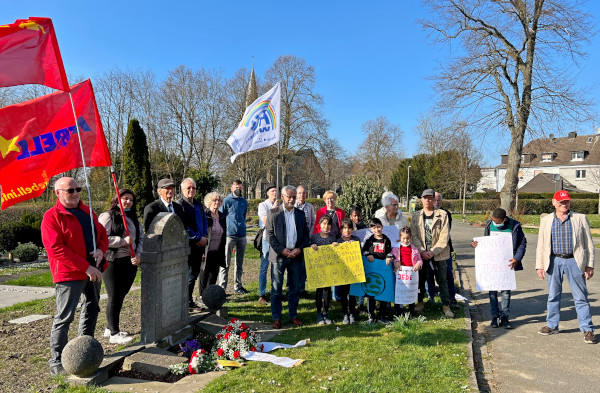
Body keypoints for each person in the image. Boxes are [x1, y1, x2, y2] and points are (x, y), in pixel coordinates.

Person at [42, 177, 108, 376]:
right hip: (70, 274)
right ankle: (57, 361)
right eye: (70, 190)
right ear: (58, 193)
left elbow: (102, 235)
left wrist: (101, 252)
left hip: (93, 270)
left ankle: (83, 351)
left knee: (92, 308)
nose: (76, 193)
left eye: (78, 189)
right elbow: (56, 248)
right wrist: (86, 267)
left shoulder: (88, 212)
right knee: (64, 317)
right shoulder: (52, 216)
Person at [535, 190, 597, 344]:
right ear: (554, 202)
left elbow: (589, 243)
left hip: (574, 261)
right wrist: (540, 265)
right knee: (553, 295)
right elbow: (541, 245)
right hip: (554, 261)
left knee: (581, 297)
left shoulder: (580, 218)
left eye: (567, 201)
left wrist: (589, 264)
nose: (564, 204)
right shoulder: (546, 220)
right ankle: (552, 324)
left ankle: (587, 329)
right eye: (561, 202)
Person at [99, 189, 143, 345]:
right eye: (124, 198)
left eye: (131, 200)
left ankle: (109, 326)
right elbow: (101, 238)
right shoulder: (108, 216)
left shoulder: (133, 218)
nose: (128, 202)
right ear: (117, 199)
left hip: (129, 262)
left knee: (121, 295)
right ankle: (114, 333)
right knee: (114, 296)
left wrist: (138, 255)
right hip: (112, 261)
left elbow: (140, 239)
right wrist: (122, 241)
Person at [471, 208, 526, 329]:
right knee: (492, 292)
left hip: (507, 264)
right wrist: (475, 244)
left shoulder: (515, 225)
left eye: (498, 221)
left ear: (504, 219)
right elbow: (485, 241)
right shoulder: (489, 225)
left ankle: (505, 317)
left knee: (506, 292)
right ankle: (494, 317)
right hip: (493, 265)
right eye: (493, 221)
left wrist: (517, 258)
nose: (495, 223)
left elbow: (522, 243)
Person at [265, 185, 309, 329]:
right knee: (276, 288)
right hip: (279, 256)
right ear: (282, 196)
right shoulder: (273, 213)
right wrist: (282, 250)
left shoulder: (300, 214)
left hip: (295, 256)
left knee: (294, 288)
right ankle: (276, 318)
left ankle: (293, 316)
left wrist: (299, 249)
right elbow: (270, 236)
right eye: (289, 196)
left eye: (294, 197)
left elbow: (305, 236)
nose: (291, 199)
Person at [411, 189, 454, 318]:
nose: (428, 200)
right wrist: (423, 251)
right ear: (422, 199)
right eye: (425, 198)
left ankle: (446, 305)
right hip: (422, 254)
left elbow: (444, 235)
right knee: (420, 280)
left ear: (434, 200)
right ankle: (420, 302)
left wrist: (433, 252)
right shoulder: (416, 215)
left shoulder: (442, 214)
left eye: (430, 198)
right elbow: (413, 235)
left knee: (442, 280)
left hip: (439, 254)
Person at [178, 178, 209, 309]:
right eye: (188, 188)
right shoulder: (179, 205)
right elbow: (182, 226)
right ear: (182, 190)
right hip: (188, 245)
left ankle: (189, 301)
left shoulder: (198, 204)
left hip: (200, 245)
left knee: (194, 274)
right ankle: (185, 303)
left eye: (193, 188)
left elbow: (204, 222)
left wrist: (205, 237)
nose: (191, 190)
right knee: (188, 276)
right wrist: (197, 238)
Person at [219, 179, 249, 294]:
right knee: (225, 263)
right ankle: (222, 288)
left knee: (239, 263)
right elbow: (221, 217)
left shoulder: (244, 202)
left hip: (241, 235)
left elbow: (244, 216)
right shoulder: (226, 201)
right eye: (236, 187)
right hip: (229, 235)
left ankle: (238, 286)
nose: (238, 189)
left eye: (240, 187)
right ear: (231, 188)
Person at [429, 192, 459, 309]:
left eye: (439, 201)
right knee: (429, 274)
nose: (436, 203)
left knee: (447, 274)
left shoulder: (446, 214)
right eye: (434, 200)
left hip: (444, 248)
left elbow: (444, 232)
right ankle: (431, 296)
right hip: (428, 249)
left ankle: (452, 297)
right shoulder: (424, 214)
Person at [362, 218, 394, 324]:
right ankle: (371, 315)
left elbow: (390, 251)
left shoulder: (386, 240)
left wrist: (389, 257)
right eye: (374, 227)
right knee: (371, 293)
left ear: (382, 226)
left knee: (383, 293)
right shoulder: (369, 240)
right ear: (371, 229)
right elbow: (364, 251)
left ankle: (382, 315)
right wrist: (368, 254)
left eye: (378, 227)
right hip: (372, 271)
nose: (377, 229)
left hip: (383, 270)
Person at [310, 215, 339, 325]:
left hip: (329, 270)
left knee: (327, 291)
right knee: (319, 291)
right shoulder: (315, 237)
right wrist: (312, 246)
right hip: (318, 270)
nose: (326, 226)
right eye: (324, 223)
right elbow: (309, 252)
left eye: (328, 224)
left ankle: (326, 312)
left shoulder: (333, 238)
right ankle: (318, 313)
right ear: (320, 225)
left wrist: (336, 245)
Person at [392, 226, 423, 317]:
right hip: (400, 274)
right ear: (400, 238)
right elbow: (393, 258)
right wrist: (396, 263)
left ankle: (411, 310)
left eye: (408, 238)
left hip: (411, 274)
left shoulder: (414, 249)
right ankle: (398, 310)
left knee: (411, 291)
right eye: (404, 238)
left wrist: (418, 264)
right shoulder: (396, 248)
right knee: (399, 291)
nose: (406, 240)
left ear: (411, 238)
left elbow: (419, 260)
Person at [201, 192, 227, 295]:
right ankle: (202, 296)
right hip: (206, 250)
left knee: (214, 275)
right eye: (214, 200)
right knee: (204, 275)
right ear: (209, 202)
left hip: (217, 251)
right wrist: (202, 251)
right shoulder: (205, 215)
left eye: (219, 200)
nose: (217, 202)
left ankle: (210, 296)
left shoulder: (222, 216)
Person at [336, 218, 361, 324]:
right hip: (343, 272)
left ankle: (352, 313)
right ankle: (345, 313)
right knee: (343, 293)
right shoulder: (338, 241)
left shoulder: (356, 239)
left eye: (349, 228)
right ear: (341, 229)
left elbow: (359, 253)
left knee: (352, 293)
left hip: (353, 272)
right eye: (345, 228)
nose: (347, 230)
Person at [258, 184, 279, 305]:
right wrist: (274, 209)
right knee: (264, 267)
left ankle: (275, 292)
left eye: (276, 191)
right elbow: (266, 221)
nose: (275, 193)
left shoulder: (279, 205)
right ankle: (262, 293)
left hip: (277, 239)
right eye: (272, 191)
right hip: (266, 239)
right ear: (267, 193)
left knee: (276, 267)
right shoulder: (263, 205)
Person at [295, 185, 315, 296]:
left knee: (303, 265)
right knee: (293, 265)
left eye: (303, 193)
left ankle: (301, 289)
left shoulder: (309, 207)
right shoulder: (293, 206)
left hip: (306, 240)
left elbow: (313, 222)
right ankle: (291, 288)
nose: (301, 195)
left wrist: (310, 236)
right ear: (296, 194)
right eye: (299, 193)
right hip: (294, 240)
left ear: (306, 194)